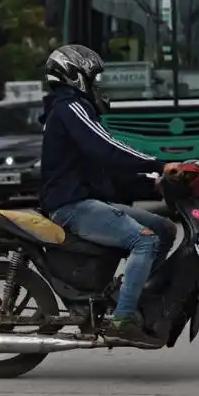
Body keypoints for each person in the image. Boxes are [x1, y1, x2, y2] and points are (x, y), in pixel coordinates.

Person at [39, 44, 182, 348]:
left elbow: (105, 168)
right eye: (95, 78)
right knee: (144, 239)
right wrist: (159, 165)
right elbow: (108, 149)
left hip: (88, 201)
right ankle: (121, 320)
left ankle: (135, 296)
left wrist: (151, 183)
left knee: (164, 228)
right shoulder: (70, 108)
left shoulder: (74, 110)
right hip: (72, 206)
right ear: (74, 75)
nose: (99, 86)